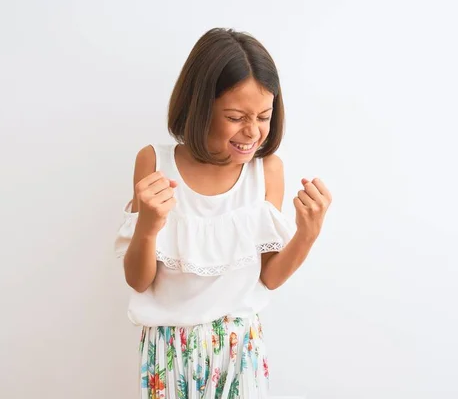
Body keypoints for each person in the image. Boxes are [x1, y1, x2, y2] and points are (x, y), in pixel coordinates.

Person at [114, 27, 332, 399]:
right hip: (169, 350)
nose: (252, 131)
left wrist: (307, 234)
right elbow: (138, 280)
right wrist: (148, 228)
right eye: (235, 116)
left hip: (241, 348)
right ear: (200, 107)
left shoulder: (267, 171)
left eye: (264, 116)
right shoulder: (154, 162)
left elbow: (270, 276)